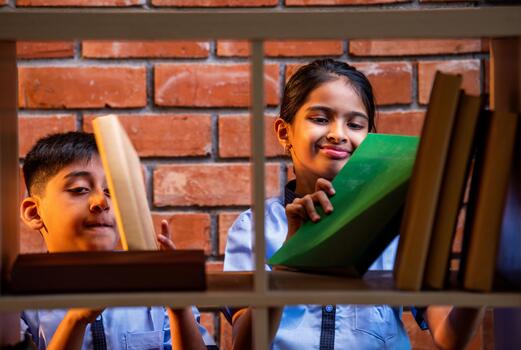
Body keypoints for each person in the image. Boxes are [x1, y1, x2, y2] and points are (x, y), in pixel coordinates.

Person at [223, 58, 484, 349]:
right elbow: (244, 345)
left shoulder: (401, 228)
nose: (339, 133)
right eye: (320, 119)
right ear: (285, 133)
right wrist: (287, 264)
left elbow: (451, 338)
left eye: (355, 124)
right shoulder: (253, 228)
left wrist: (481, 267)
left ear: (370, 136)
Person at [19, 131, 217, 350]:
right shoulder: (17, 299)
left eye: (111, 191)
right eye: (80, 189)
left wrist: (179, 309)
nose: (102, 202)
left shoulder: (154, 280)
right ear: (34, 213)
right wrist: (76, 320)